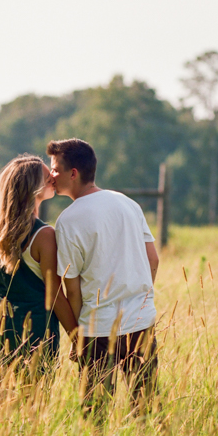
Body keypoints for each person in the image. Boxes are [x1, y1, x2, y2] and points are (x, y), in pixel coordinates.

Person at [47, 138, 159, 413]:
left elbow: (71, 290)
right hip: (141, 322)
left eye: (55, 169)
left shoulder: (68, 220)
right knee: (146, 408)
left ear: (73, 173)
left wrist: (77, 335)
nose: (51, 175)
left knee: (95, 414)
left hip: (97, 330)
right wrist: (138, 301)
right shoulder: (128, 204)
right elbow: (153, 259)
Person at [0, 154, 78, 372]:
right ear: (31, 188)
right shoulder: (44, 235)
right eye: (45, 176)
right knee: (34, 404)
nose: (52, 176)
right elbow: (55, 295)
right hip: (36, 334)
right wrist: (77, 338)